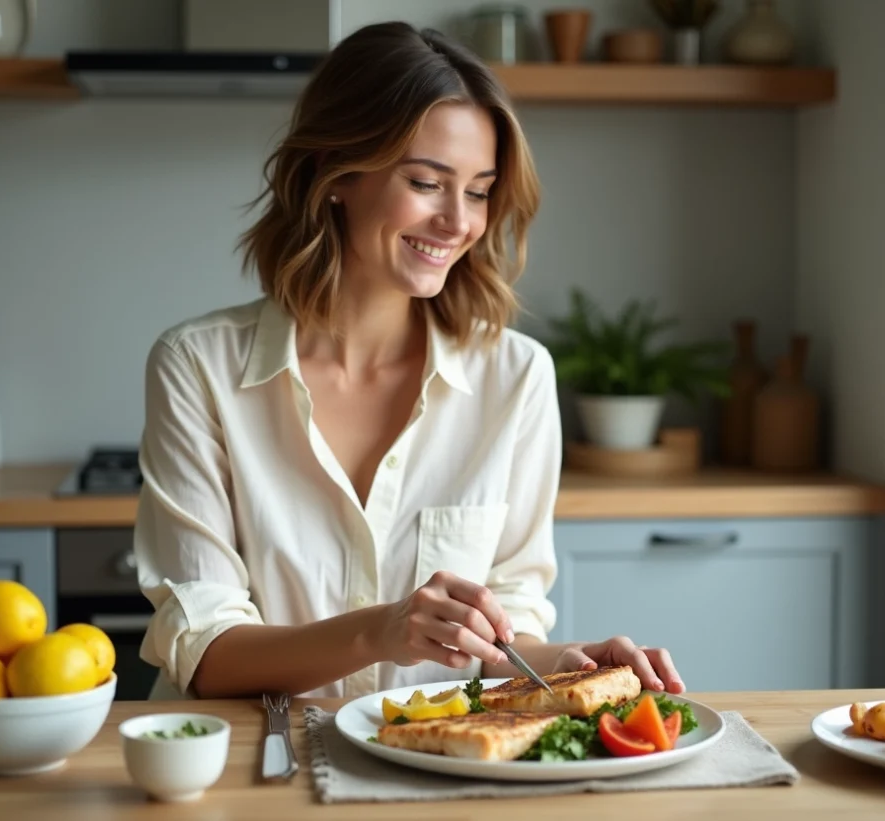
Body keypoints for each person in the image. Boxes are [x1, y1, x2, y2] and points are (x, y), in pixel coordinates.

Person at [132, 20, 684, 702]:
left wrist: (570, 659)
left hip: (425, 770)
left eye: (479, 190)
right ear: (336, 173)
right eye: (427, 181)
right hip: (250, 768)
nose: (459, 221)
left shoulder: (515, 379)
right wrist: (382, 629)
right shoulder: (198, 368)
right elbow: (206, 652)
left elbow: (502, 633)